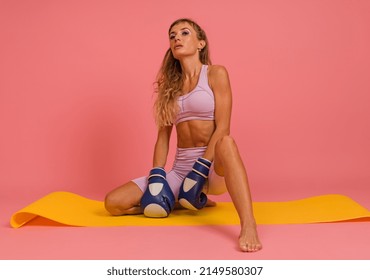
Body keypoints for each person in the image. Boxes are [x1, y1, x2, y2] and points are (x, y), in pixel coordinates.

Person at [104, 18, 262, 252]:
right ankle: (176, 201)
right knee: (113, 203)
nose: (177, 37)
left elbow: (223, 127)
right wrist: (157, 176)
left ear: (201, 43)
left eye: (184, 33)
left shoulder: (216, 74)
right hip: (180, 171)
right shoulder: (170, 87)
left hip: (211, 167)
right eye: (172, 35)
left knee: (227, 142)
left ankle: (249, 224)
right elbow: (163, 138)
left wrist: (200, 169)